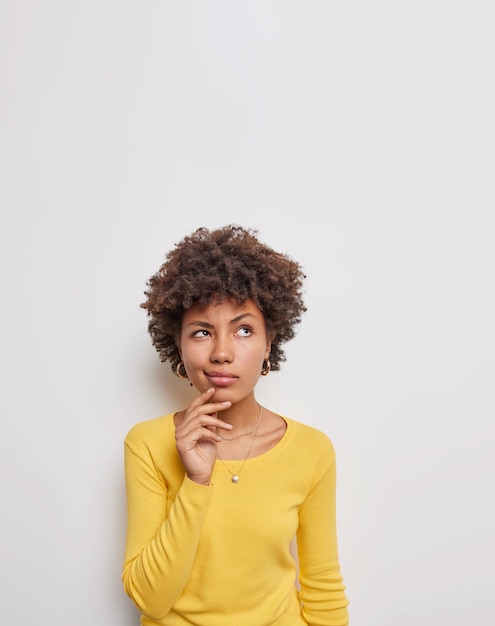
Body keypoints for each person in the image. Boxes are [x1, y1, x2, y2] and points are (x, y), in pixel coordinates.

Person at [122, 225, 349, 626]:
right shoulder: (148, 444)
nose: (222, 353)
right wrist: (196, 481)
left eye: (244, 330)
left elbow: (323, 587)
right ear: (178, 344)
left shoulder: (312, 450)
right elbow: (149, 600)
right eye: (202, 332)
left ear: (268, 343)